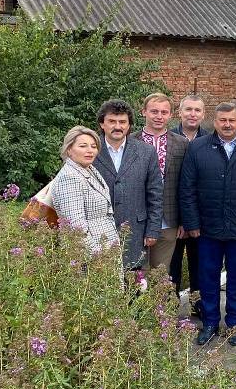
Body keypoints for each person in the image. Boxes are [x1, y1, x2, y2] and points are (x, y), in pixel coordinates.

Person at [179, 102, 236, 347]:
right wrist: (192, 222)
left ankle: (233, 324)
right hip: (207, 227)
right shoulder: (198, 147)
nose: (227, 125)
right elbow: (187, 188)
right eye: (222, 120)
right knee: (207, 276)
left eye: (231, 120)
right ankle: (210, 322)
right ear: (215, 122)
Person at [93, 99, 163, 273]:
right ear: (102, 123)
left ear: (129, 125)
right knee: (102, 279)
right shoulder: (90, 151)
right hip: (98, 231)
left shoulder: (146, 152)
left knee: (132, 280)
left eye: (122, 122)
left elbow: (155, 194)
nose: (117, 126)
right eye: (112, 121)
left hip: (135, 230)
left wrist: (153, 229)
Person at [133, 93, 189, 286]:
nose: (159, 116)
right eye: (154, 111)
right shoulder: (130, 141)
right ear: (143, 112)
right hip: (136, 218)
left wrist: (183, 220)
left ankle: (158, 306)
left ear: (171, 115)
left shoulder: (182, 143)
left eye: (164, 112)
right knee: (136, 274)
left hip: (168, 219)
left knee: (160, 274)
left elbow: (185, 184)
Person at [50, 126, 118, 254]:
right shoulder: (69, 177)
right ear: (69, 149)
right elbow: (76, 226)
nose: (90, 150)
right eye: (83, 146)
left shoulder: (89, 169)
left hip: (105, 248)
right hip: (89, 254)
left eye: (93, 146)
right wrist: (97, 256)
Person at [171, 94, 206, 316]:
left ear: (203, 114)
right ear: (180, 112)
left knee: (200, 264)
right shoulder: (168, 138)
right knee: (171, 266)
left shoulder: (210, 140)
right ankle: (169, 309)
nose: (192, 114)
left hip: (201, 216)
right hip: (172, 215)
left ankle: (197, 305)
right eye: (188, 109)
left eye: (197, 110)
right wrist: (180, 219)